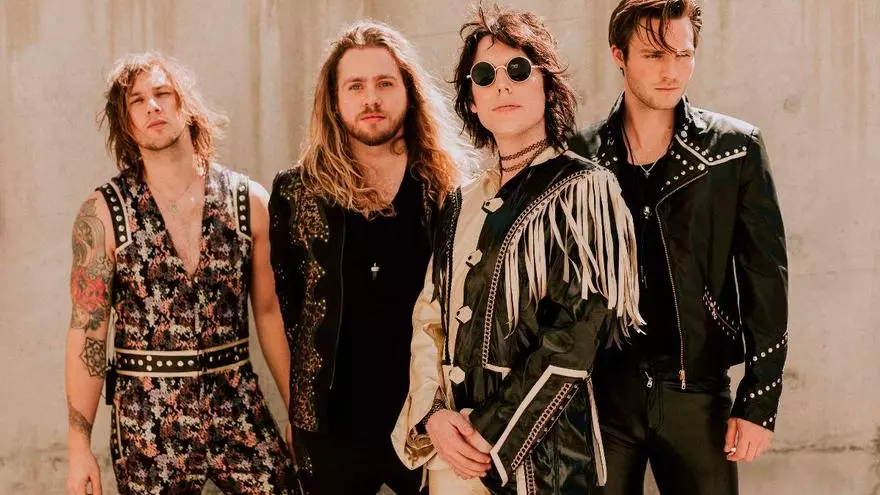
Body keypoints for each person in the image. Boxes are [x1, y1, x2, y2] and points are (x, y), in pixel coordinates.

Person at [392, 7, 641, 494]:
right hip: (449, 459)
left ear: (547, 86)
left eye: (519, 69)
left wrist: (487, 431)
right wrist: (434, 416)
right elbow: (430, 318)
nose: (502, 85)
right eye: (484, 76)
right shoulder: (461, 202)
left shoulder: (585, 190)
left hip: (536, 465)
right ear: (473, 101)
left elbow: (577, 332)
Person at [568, 1, 789, 493]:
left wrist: (760, 401)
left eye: (683, 54)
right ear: (619, 55)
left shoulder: (734, 150)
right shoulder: (580, 157)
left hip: (697, 392)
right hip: (601, 396)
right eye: (654, 55)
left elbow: (766, 281)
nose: (671, 71)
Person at [64, 52, 293, 495]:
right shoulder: (104, 214)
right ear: (126, 123)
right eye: (137, 101)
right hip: (146, 421)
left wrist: (296, 416)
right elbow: (87, 331)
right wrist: (79, 447)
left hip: (236, 403)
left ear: (186, 105)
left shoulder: (248, 201)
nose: (152, 106)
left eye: (163, 94)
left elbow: (269, 313)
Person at [268, 20, 469, 495]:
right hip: (331, 422)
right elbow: (285, 308)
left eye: (384, 83)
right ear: (334, 100)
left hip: (425, 415)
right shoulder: (296, 191)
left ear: (409, 92)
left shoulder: (446, 188)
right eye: (355, 86)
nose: (371, 98)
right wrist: (297, 406)